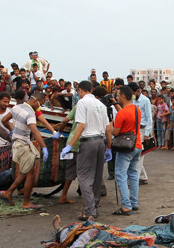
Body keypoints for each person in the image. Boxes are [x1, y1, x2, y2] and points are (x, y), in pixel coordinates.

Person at [60, 80, 112, 222]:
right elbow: (108, 129)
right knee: (96, 176)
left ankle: (90, 210)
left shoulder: (82, 103)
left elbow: (81, 126)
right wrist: (109, 148)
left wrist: (70, 145)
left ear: (81, 90)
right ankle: (94, 207)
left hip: (88, 141)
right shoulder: (100, 105)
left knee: (83, 176)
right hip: (100, 141)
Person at [0, 91, 47, 209]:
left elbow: (4, 120)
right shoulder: (30, 113)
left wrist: (12, 129)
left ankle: (8, 192)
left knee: (25, 172)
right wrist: (44, 147)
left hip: (16, 143)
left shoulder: (17, 107)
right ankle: (26, 202)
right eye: (40, 104)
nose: (39, 107)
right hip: (23, 144)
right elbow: (35, 131)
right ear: (35, 101)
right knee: (29, 174)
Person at [110, 85, 142, 216]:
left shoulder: (121, 113)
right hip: (137, 144)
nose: (116, 98)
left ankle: (126, 205)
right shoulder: (136, 109)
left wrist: (111, 127)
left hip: (125, 148)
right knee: (133, 174)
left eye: (118, 95)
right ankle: (134, 202)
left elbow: (116, 132)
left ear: (123, 96)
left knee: (120, 175)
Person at [131, 82, 152, 184]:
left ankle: (135, 180)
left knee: (139, 155)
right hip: (134, 129)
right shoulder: (132, 100)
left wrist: (148, 133)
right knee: (136, 154)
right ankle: (143, 177)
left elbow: (149, 118)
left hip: (143, 130)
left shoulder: (145, 100)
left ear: (138, 91)